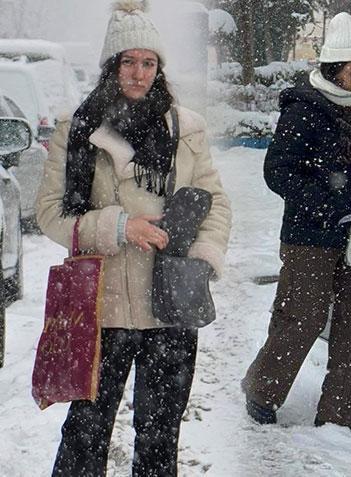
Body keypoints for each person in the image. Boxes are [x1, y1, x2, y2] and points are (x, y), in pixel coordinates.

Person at [36, 1, 231, 475]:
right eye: (128, 61)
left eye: (149, 63)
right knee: (87, 429)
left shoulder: (186, 128)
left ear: (159, 68)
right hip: (105, 304)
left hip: (171, 304)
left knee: (161, 433)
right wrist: (120, 226)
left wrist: (203, 258)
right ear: (111, 67)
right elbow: (49, 213)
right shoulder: (78, 129)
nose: (139, 73)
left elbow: (217, 204)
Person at [241, 12, 351, 436]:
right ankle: (262, 390)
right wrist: (327, 198)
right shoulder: (305, 110)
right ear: (333, 67)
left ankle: (344, 410)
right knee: (302, 316)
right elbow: (277, 172)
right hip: (309, 237)